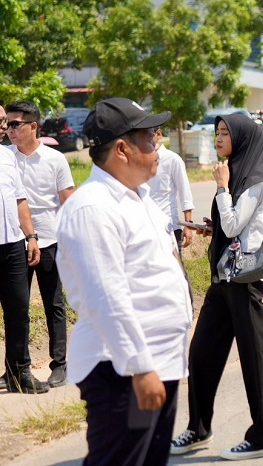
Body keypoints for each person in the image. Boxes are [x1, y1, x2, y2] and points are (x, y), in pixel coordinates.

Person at [56, 98, 192, 464]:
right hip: (122, 370)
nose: (157, 146)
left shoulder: (138, 198)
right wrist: (140, 367)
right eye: (149, 138)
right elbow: (106, 296)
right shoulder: (93, 208)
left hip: (156, 362)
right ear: (122, 149)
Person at [171, 113, 263, 461]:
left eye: (225, 133)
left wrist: (222, 187)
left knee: (253, 358)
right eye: (216, 132)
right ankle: (198, 428)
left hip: (246, 280)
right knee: (201, 352)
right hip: (225, 276)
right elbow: (230, 225)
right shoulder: (238, 171)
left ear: (242, 138)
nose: (218, 138)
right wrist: (212, 227)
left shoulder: (254, 178)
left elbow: (235, 225)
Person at [4, 101, 74, 389]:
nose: (9, 130)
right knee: (16, 308)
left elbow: (68, 201)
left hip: (49, 239)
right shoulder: (6, 157)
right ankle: (14, 369)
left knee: (53, 303)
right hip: (14, 243)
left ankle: (60, 364)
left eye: (15, 124)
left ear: (33, 126)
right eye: (7, 124)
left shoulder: (55, 159)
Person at [0, 116, 46, 394]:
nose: (4, 127)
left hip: (13, 247)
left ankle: (19, 374)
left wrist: (31, 237)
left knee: (19, 312)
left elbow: (20, 200)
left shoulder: (8, 157)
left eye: (5, 121)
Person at [146, 127, 195, 257]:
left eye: (147, 135)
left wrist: (188, 225)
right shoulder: (138, 161)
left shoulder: (173, 159)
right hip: (146, 229)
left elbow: (185, 194)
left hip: (169, 228)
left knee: (176, 267)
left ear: (158, 134)